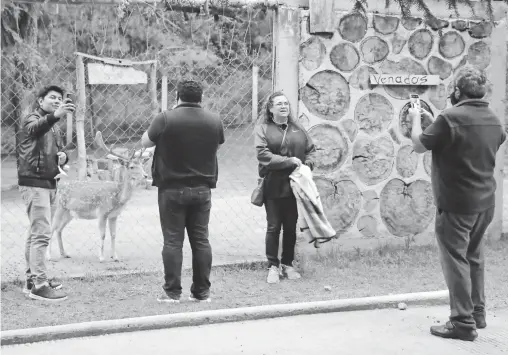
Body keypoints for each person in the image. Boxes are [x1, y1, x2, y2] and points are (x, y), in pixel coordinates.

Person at [409, 66, 506, 341]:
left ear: (456, 91)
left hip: (456, 204)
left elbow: (418, 144)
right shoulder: (493, 119)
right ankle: (477, 314)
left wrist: (417, 119)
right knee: (474, 256)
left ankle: (462, 322)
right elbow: (480, 141)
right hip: (485, 202)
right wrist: (436, 121)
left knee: (455, 260)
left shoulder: (449, 117)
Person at [141, 80, 225, 303]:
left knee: (172, 241)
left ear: (177, 96)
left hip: (171, 189)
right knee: (201, 240)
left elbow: (145, 142)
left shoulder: (165, 118)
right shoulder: (214, 120)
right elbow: (216, 147)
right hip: (202, 189)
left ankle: (172, 292)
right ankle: (201, 293)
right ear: (201, 98)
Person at [17, 85, 75, 301]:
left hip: (50, 182)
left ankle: (32, 279)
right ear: (40, 101)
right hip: (35, 182)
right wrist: (56, 115)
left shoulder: (53, 126)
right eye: (52, 98)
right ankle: (39, 286)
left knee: (36, 233)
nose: (57, 101)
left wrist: (63, 157)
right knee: (41, 234)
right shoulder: (32, 119)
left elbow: (60, 151)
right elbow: (34, 130)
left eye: (60, 98)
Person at [254, 91, 317, 284]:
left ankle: (288, 264)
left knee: (290, 227)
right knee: (274, 227)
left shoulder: (298, 128)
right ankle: (273, 266)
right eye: (279, 104)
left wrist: (308, 165)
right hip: (273, 185)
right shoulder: (262, 128)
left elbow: (311, 151)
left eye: (286, 103)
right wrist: (288, 160)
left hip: (294, 186)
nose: (284, 106)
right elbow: (262, 154)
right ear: (270, 108)